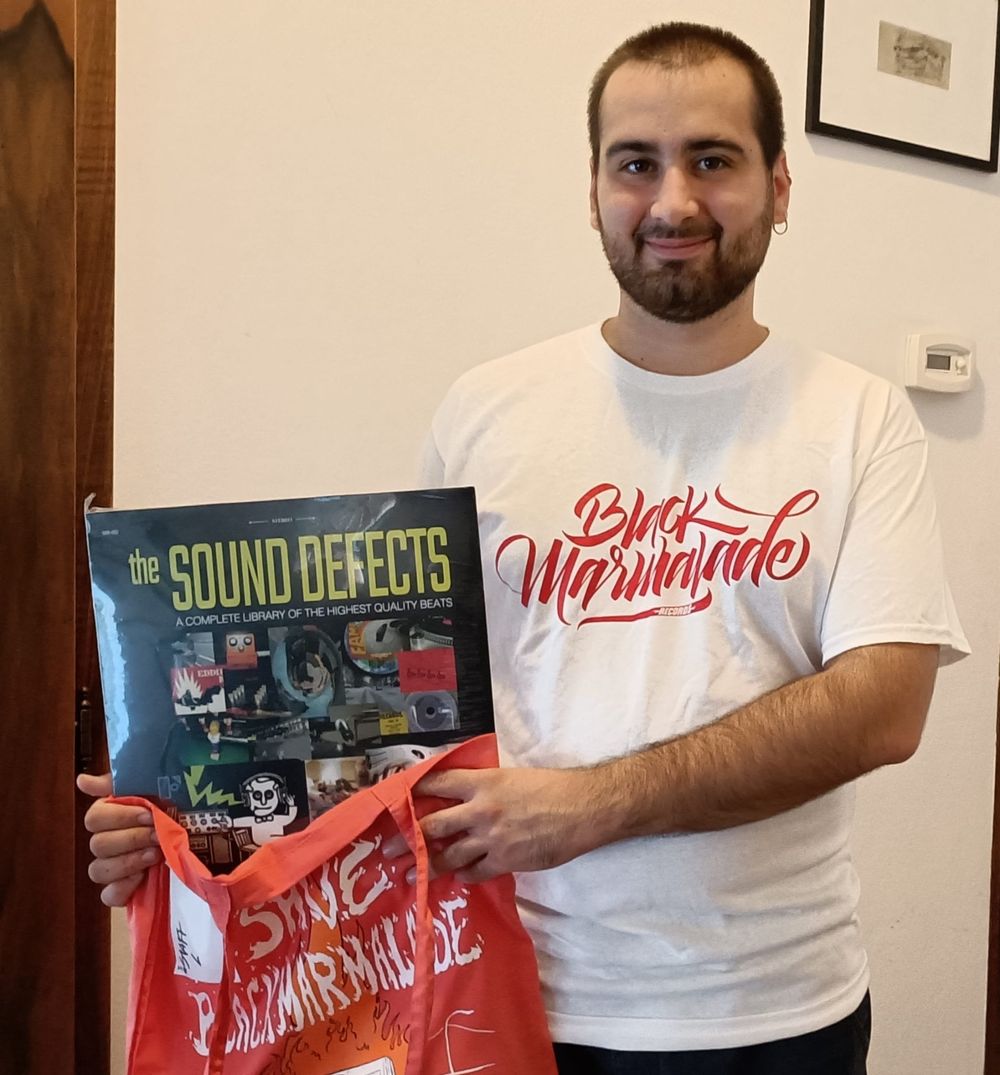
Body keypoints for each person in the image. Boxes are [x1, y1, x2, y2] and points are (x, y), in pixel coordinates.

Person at [80, 22, 969, 1075]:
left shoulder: (859, 418)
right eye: (634, 163)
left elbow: (882, 707)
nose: (672, 201)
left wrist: (589, 807)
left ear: (778, 186)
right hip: (502, 989)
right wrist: (196, 826)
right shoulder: (487, 413)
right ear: (592, 190)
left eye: (712, 159)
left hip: (774, 1010)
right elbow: (385, 715)